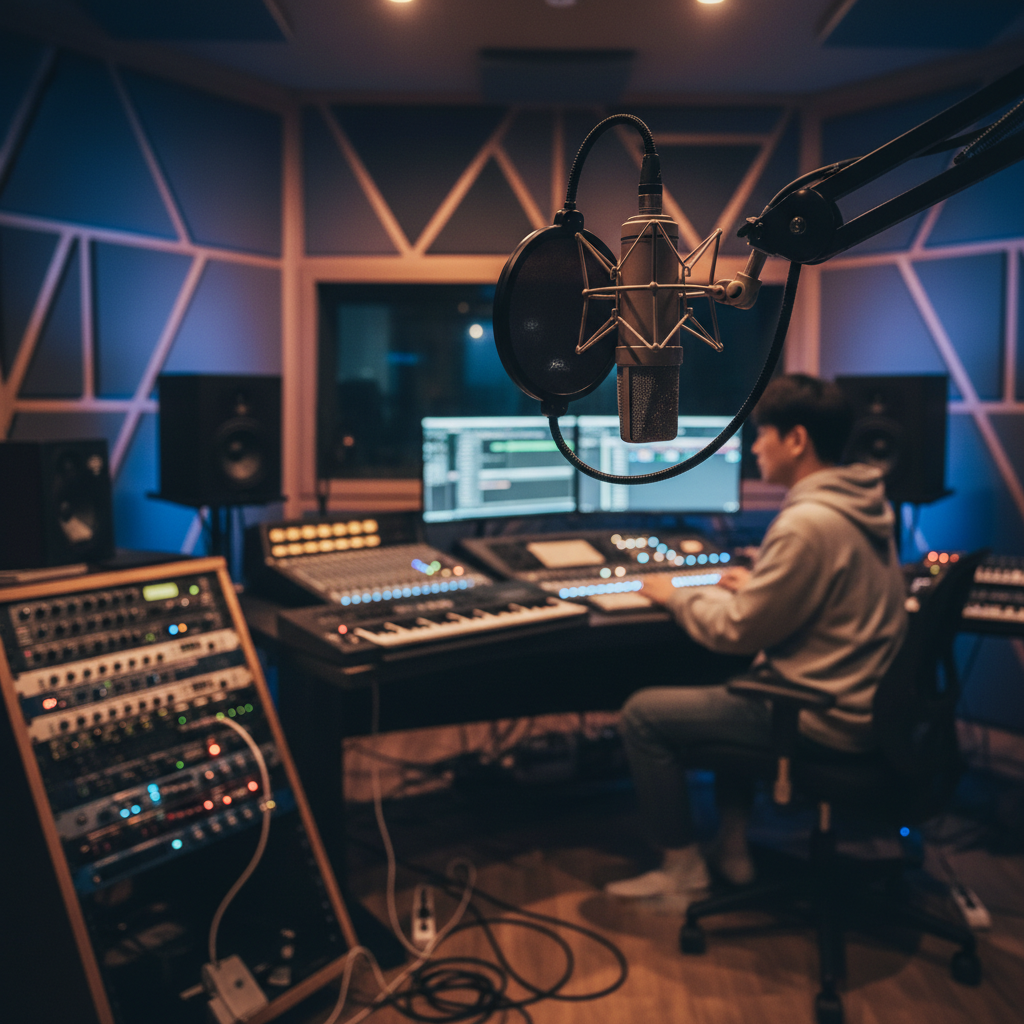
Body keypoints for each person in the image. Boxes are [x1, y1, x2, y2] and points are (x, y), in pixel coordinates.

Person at [606, 374, 907, 911]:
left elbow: (736, 630)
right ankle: (734, 847)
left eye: (763, 434)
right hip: (866, 706)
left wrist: (673, 596)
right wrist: (759, 585)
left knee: (642, 715)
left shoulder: (807, 522)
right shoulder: (863, 505)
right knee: (732, 686)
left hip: (819, 716)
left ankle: (681, 869)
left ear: (796, 440)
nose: (754, 447)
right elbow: (829, 595)